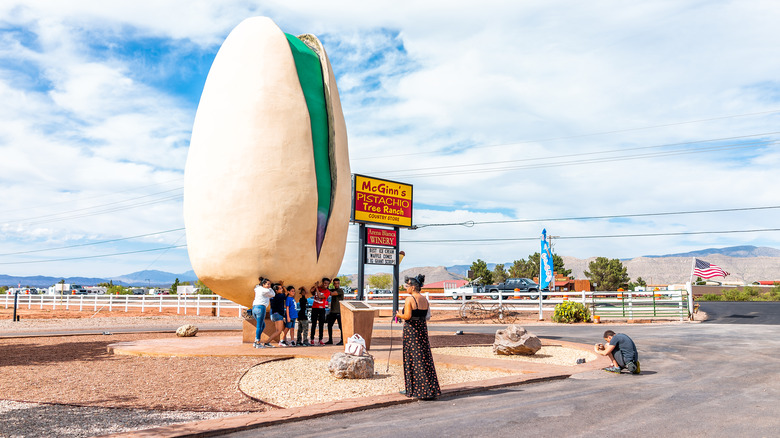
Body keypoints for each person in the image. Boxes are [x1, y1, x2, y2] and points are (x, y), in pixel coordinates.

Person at [395, 274, 441, 400]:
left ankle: (414, 389)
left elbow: (408, 317)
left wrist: (399, 315)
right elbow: (426, 316)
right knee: (424, 358)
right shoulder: (425, 300)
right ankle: (429, 388)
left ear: (414, 287)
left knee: (412, 359)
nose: (406, 288)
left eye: (407, 286)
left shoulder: (409, 299)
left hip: (412, 332)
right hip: (422, 330)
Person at [251, 277, 275, 348]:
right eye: (268, 284)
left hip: (254, 308)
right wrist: (270, 288)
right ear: (263, 284)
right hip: (261, 308)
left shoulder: (257, 288)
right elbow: (273, 294)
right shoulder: (266, 291)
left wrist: (261, 283)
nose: (269, 285)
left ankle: (256, 341)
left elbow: (257, 286)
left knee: (262, 325)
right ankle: (258, 342)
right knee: (259, 325)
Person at [310, 278, 331, 346]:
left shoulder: (327, 292)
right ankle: (312, 339)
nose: (326, 285)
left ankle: (320, 339)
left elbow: (320, 296)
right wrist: (314, 288)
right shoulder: (318, 287)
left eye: (327, 284)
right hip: (315, 308)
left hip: (322, 309)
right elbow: (312, 292)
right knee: (314, 324)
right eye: (325, 283)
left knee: (321, 324)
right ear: (322, 283)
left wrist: (316, 289)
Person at [325, 278, 344, 345]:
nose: (336, 285)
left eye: (337, 283)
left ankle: (342, 340)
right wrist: (328, 283)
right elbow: (327, 290)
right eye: (335, 283)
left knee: (341, 327)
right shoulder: (333, 289)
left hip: (339, 311)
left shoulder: (340, 290)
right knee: (329, 325)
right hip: (333, 312)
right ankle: (330, 340)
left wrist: (327, 290)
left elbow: (331, 293)